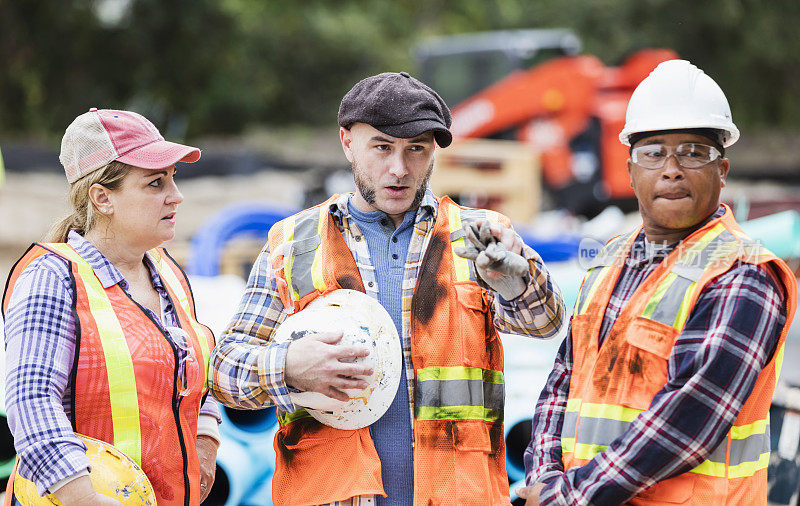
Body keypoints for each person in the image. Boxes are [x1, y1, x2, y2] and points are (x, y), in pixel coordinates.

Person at [209, 71, 565, 505]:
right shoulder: (294, 243)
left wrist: (516, 282)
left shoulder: (478, 237)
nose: (399, 169)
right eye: (381, 148)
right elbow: (223, 370)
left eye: (416, 150)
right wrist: (286, 365)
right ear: (347, 141)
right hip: (332, 496)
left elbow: (546, 323)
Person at [519, 59, 798, 505]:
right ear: (629, 170)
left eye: (693, 152)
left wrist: (566, 496)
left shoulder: (742, 275)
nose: (671, 169)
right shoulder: (609, 259)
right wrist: (544, 479)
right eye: (653, 152)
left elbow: (689, 420)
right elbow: (562, 382)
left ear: (722, 170)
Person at [3, 108, 221, 505]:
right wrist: (83, 498)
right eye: (155, 183)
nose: (177, 195)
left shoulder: (167, 272)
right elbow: (31, 401)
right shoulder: (52, 279)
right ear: (102, 198)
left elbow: (194, 375)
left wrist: (206, 437)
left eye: (173, 178)